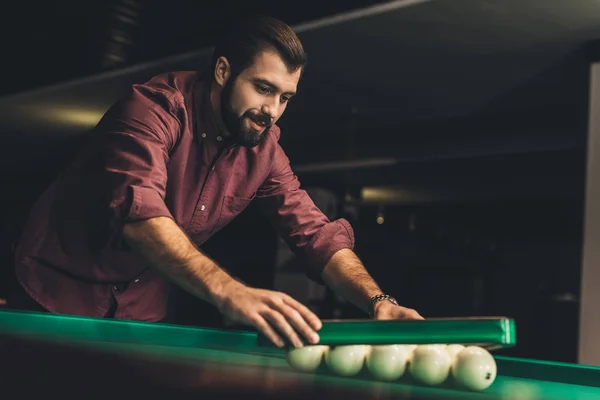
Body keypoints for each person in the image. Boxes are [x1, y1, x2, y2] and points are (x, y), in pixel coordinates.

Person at [8, 15, 423, 348]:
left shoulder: (264, 149)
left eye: (285, 98)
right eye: (263, 88)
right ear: (224, 70)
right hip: (54, 294)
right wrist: (231, 291)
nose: (272, 110)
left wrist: (378, 302)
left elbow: (316, 235)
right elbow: (142, 215)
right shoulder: (151, 110)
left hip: (139, 310)